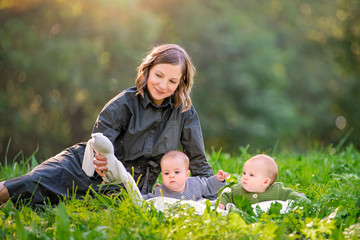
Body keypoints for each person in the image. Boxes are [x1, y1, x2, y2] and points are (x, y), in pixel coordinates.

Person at [0, 44, 214, 207]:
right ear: (147, 70)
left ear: (181, 83)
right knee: (27, 183)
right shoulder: (125, 103)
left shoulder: (184, 111)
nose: (163, 85)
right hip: (84, 169)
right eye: (158, 75)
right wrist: (101, 159)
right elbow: (100, 144)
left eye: (172, 81)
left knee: (64, 206)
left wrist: (216, 198)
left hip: (126, 188)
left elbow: (197, 160)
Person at [218, 154, 310, 210]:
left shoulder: (277, 191)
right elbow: (226, 195)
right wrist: (222, 204)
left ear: (265, 182)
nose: (245, 177)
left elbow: (292, 195)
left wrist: (308, 204)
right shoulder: (237, 190)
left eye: (251, 175)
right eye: (244, 173)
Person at [142, 150, 229, 201]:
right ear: (162, 175)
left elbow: (209, 185)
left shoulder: (196, 184)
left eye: (176, 172)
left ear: (186, 175)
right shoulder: (160, 192)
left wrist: (218, 179)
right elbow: (147, 199)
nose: (171, 176)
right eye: (166, 173)